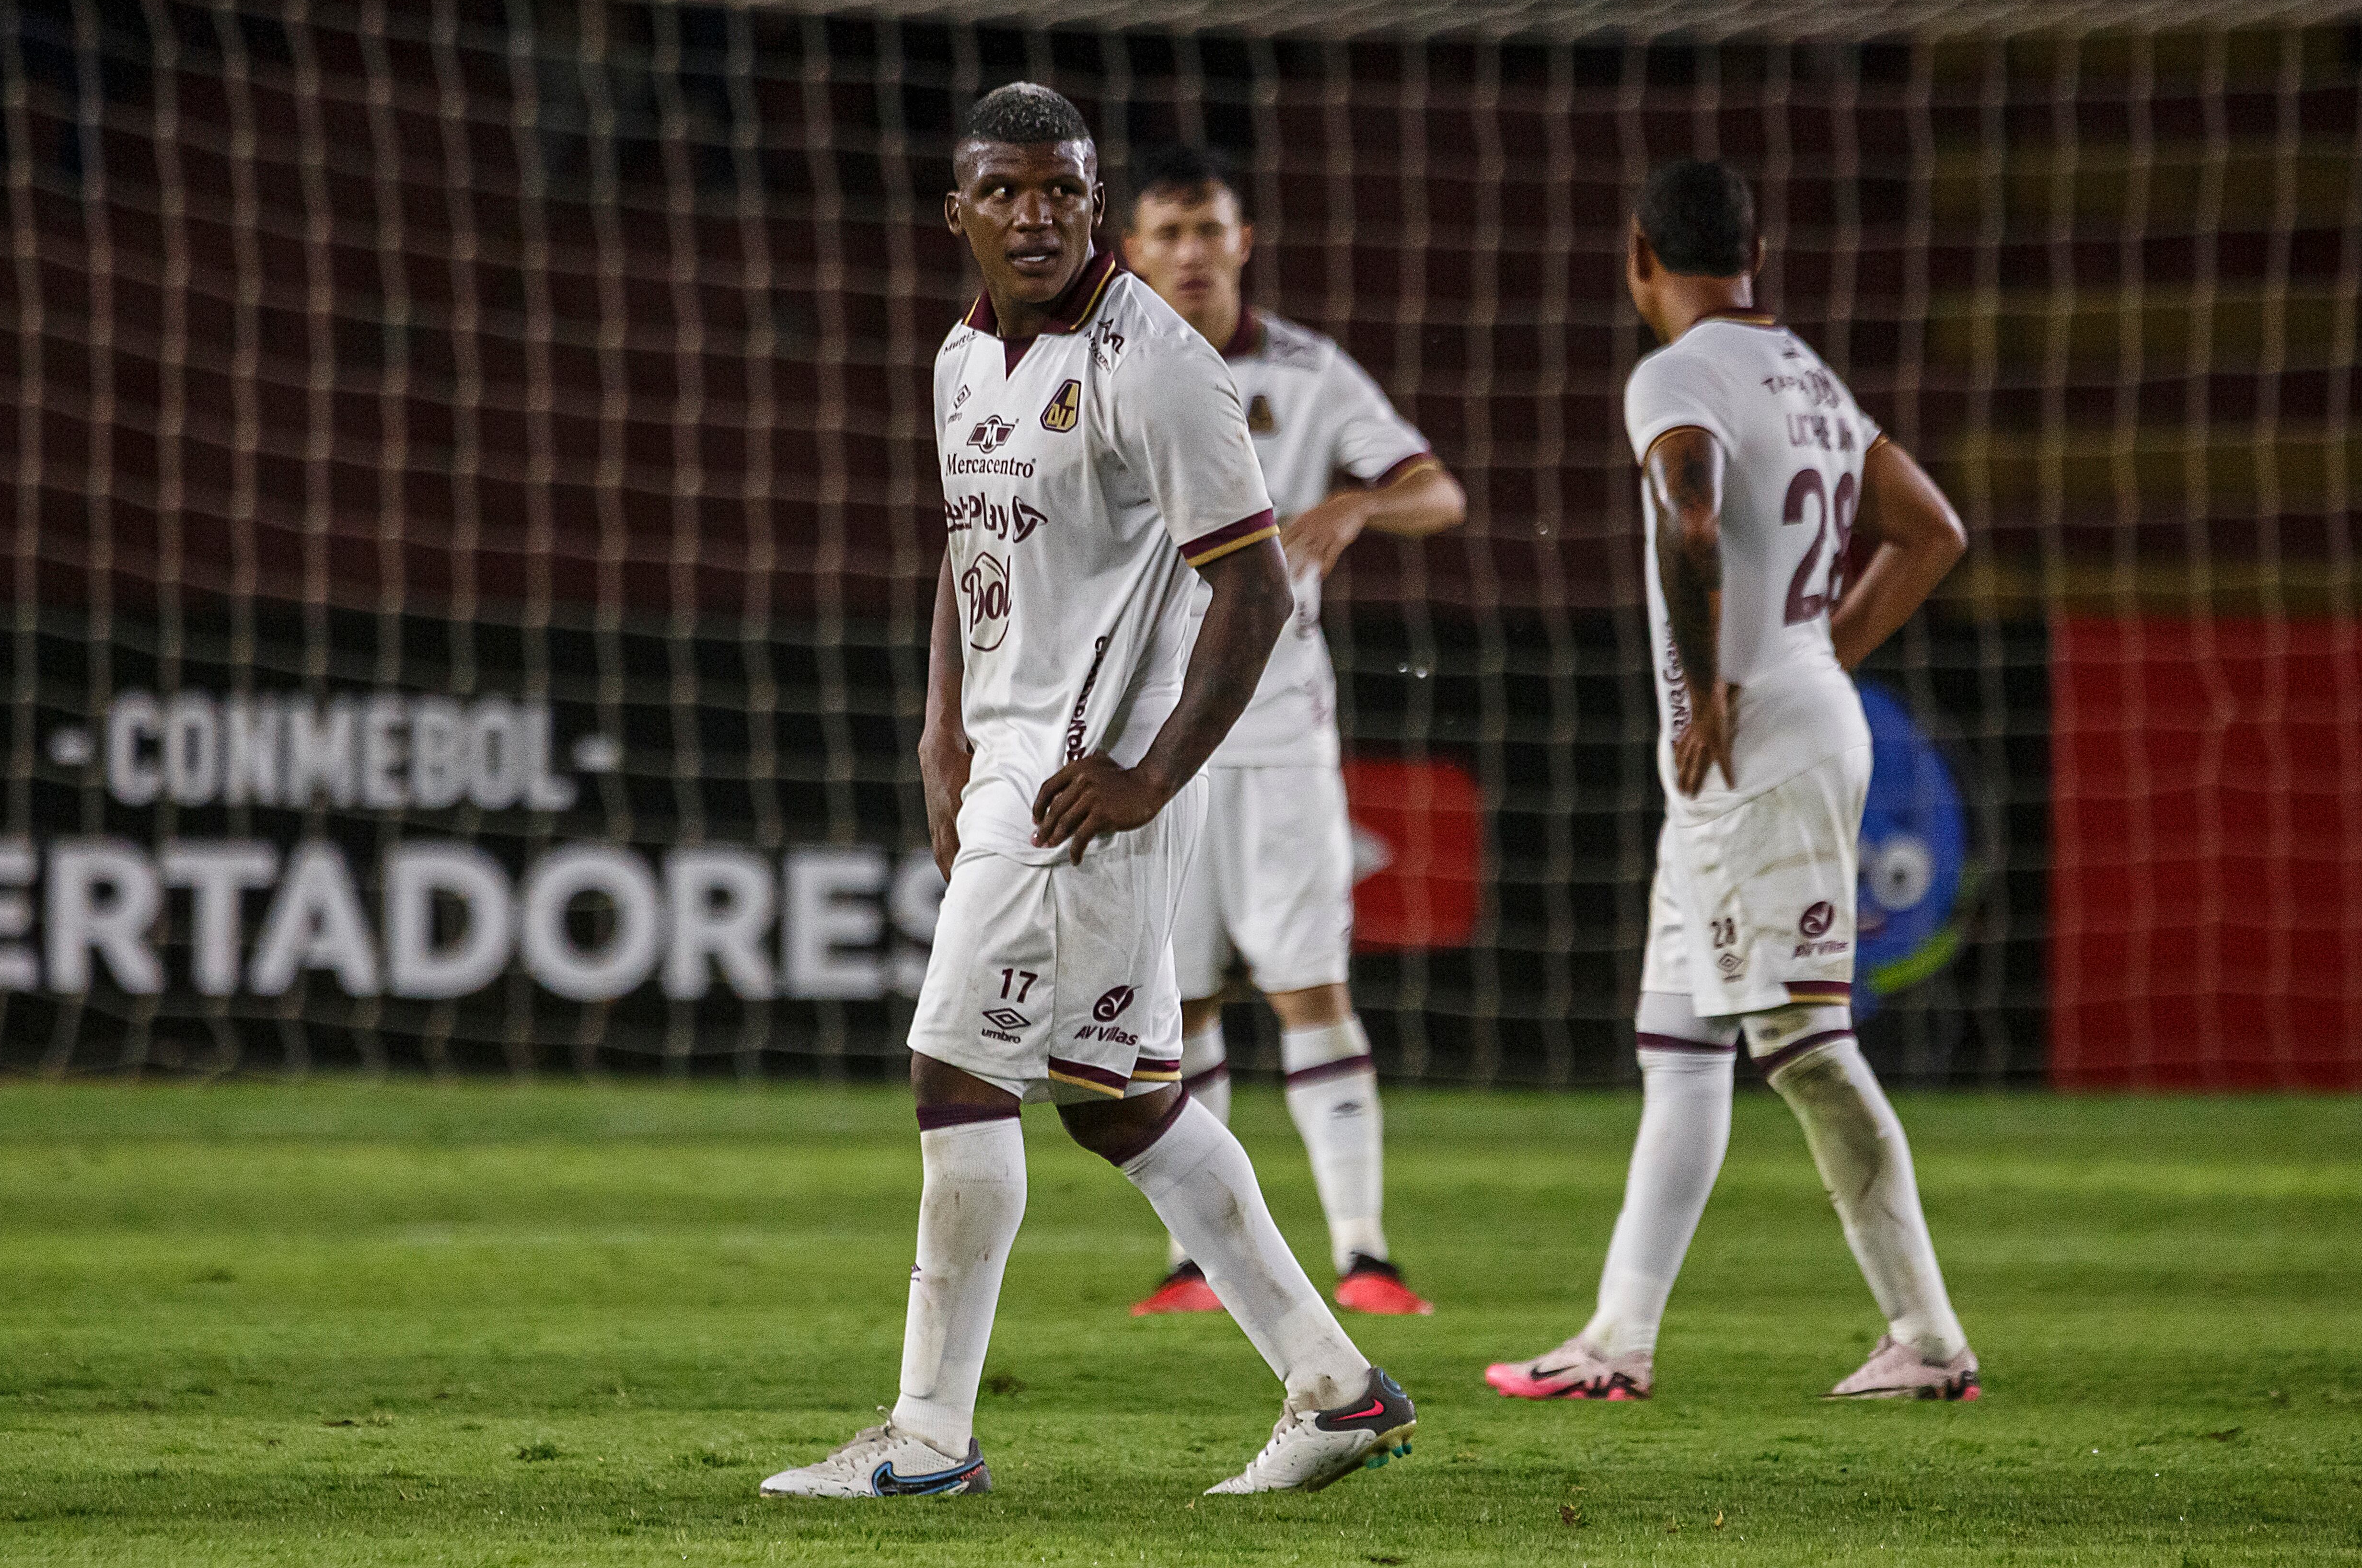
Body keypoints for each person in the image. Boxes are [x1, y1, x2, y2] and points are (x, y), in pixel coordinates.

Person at [761, 84, 1416, 1500]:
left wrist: (1150, 773)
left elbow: (1252, 582)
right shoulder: (959, 357)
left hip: (1079, 795)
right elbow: (965, 544)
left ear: (1095, 200)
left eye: (1062, 189)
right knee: (1114, 1101)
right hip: (1004, 766)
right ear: (960, 211)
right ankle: (1337, 1382)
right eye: (1005, 190)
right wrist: (943, 734)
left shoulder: (1162, 363)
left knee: (955, 1068)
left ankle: (929, 1435)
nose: (1036, 214)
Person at [1486, 159, 1979, 1404]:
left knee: (1805, 1043)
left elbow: (1690, 518)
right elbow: (1932, 530)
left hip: (1752, 743)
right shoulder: (1805, 372)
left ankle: (1928, 1335)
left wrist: (1715, 685)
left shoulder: (1678, 371)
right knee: (1682, 1042)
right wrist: (1821, 656)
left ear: (1642, 255)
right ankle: (1616, 1339)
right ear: (1750, 250)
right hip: (1764, 735)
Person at [1115, 145, 1464, 1319]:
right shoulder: (1100, 370)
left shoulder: (1309, 374)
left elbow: (1440, 492)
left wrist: (1360, 500)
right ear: (1132, 252)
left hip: (1274, 734)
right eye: (1167, 232)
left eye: (1209, 230)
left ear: (1243, 242)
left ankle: (1366, 1254)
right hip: (1151, 740)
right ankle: (1196, 1264)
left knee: (1309, 983)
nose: (1192, 253)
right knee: (1182, 999)